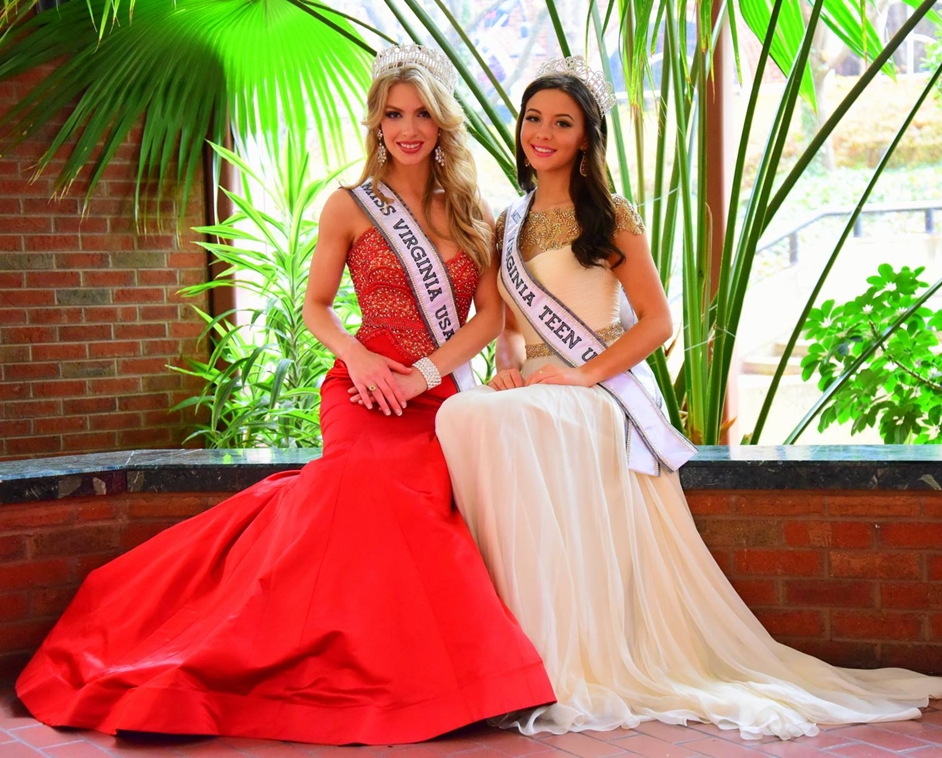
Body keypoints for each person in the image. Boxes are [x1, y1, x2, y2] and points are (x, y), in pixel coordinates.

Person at [15, 45, 553, 746]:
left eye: (422, 113)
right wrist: (360, 359)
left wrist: (425, 374)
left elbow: (486, 317)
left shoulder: (471, 209)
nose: (408, 128)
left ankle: (452, 682)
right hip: (365, 390)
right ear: (377, 122)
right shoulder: (350, 206)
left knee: (397, 505)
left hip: (436, 392)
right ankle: (213, 668)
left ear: (441, 122)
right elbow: (317, 307)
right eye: (394, 114)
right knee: (365, 484)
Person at [434, 57, 942, 741]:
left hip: (596, 389)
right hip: (537, 393)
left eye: (562, 123)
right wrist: (509, 368)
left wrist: (581, 375)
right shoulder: (507, 223)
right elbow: (508, 328)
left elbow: (658, 323)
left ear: (586, 137)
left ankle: (562, 656)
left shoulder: (611, 216)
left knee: (487, 417)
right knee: (468, 411)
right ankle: (512, 651)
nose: (542, 133)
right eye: (533, 118)